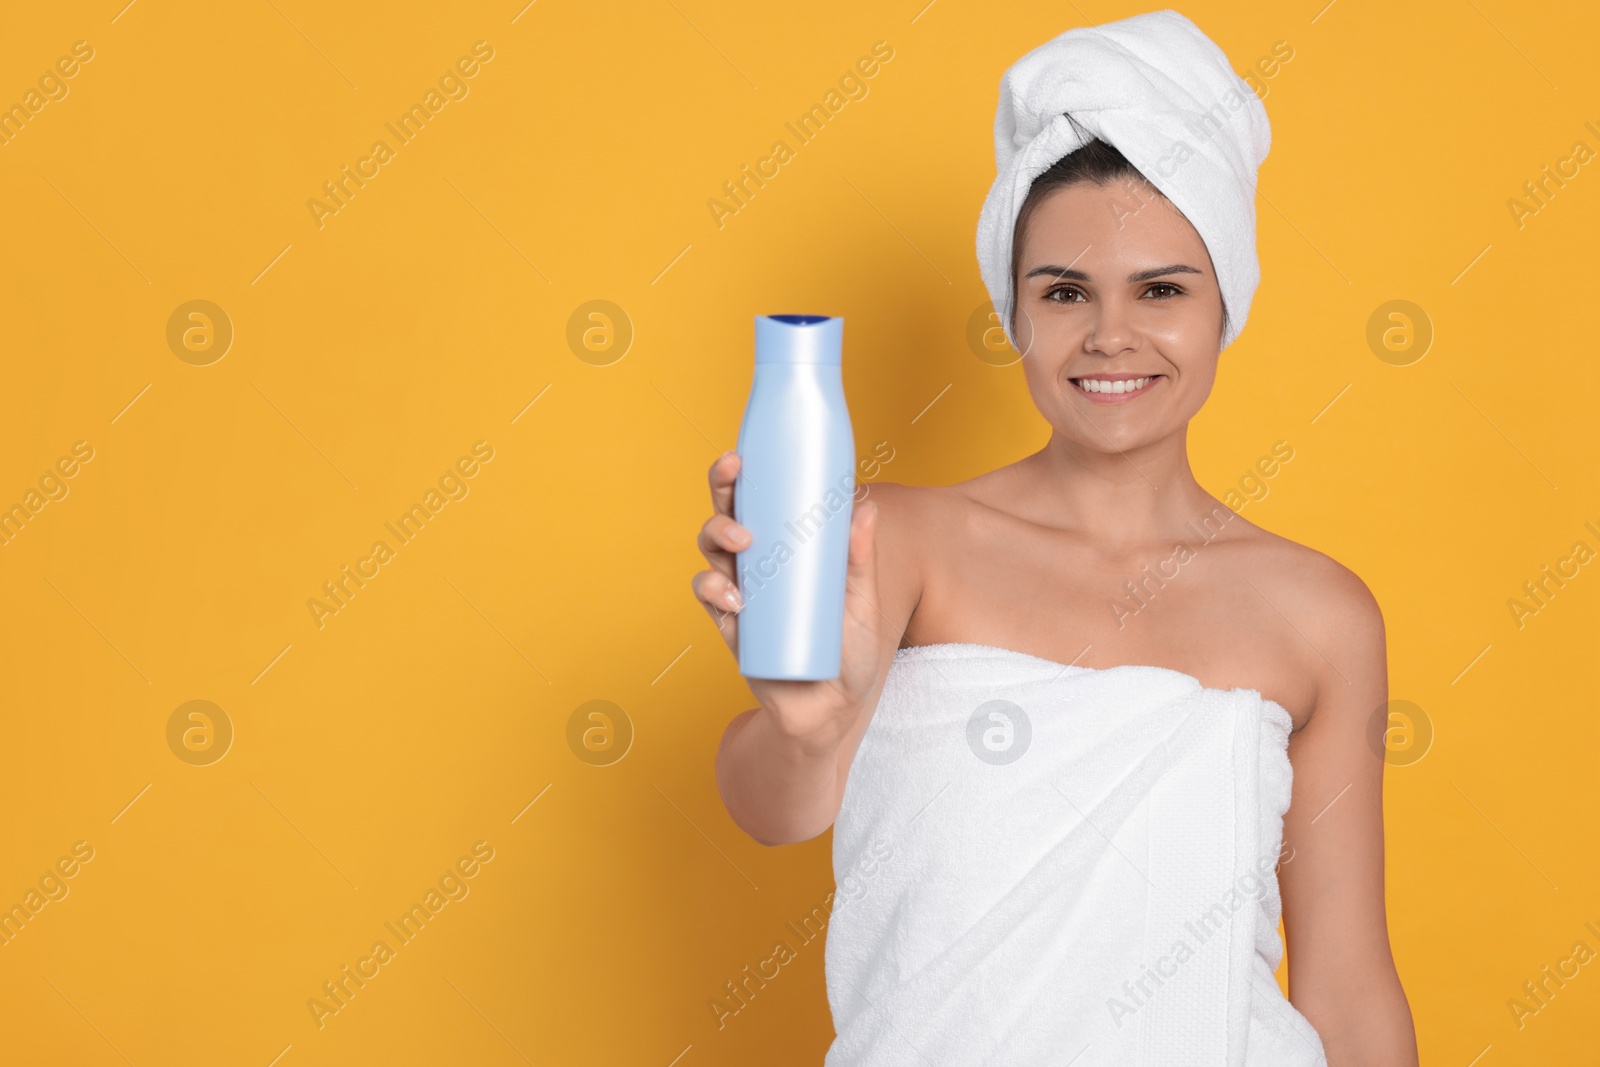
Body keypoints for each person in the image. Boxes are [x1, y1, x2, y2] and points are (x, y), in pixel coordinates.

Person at [693, 11, 1417, 1065]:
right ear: (1015, 310)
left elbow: (1349, 987)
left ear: (1226, 303)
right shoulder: (894, 541)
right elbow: (774, 810)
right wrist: (806, 727)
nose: (1110, 335)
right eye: (1064, 291)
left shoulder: (1318, 613)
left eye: (1161, 289)